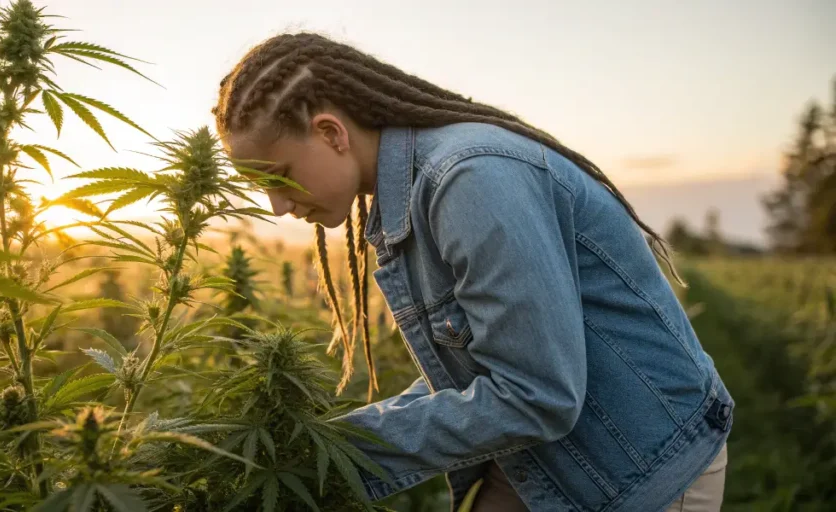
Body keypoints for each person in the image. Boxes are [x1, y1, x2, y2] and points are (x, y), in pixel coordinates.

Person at [212, 32, 732, 512]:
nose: (277, 206)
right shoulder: (414, 191)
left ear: (331, 132)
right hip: (550, 454)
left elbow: (538, 395)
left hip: (642, 467)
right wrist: (330, 445)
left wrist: (339, 451)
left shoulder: (469, 180)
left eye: (279, 178)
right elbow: (485, 361)